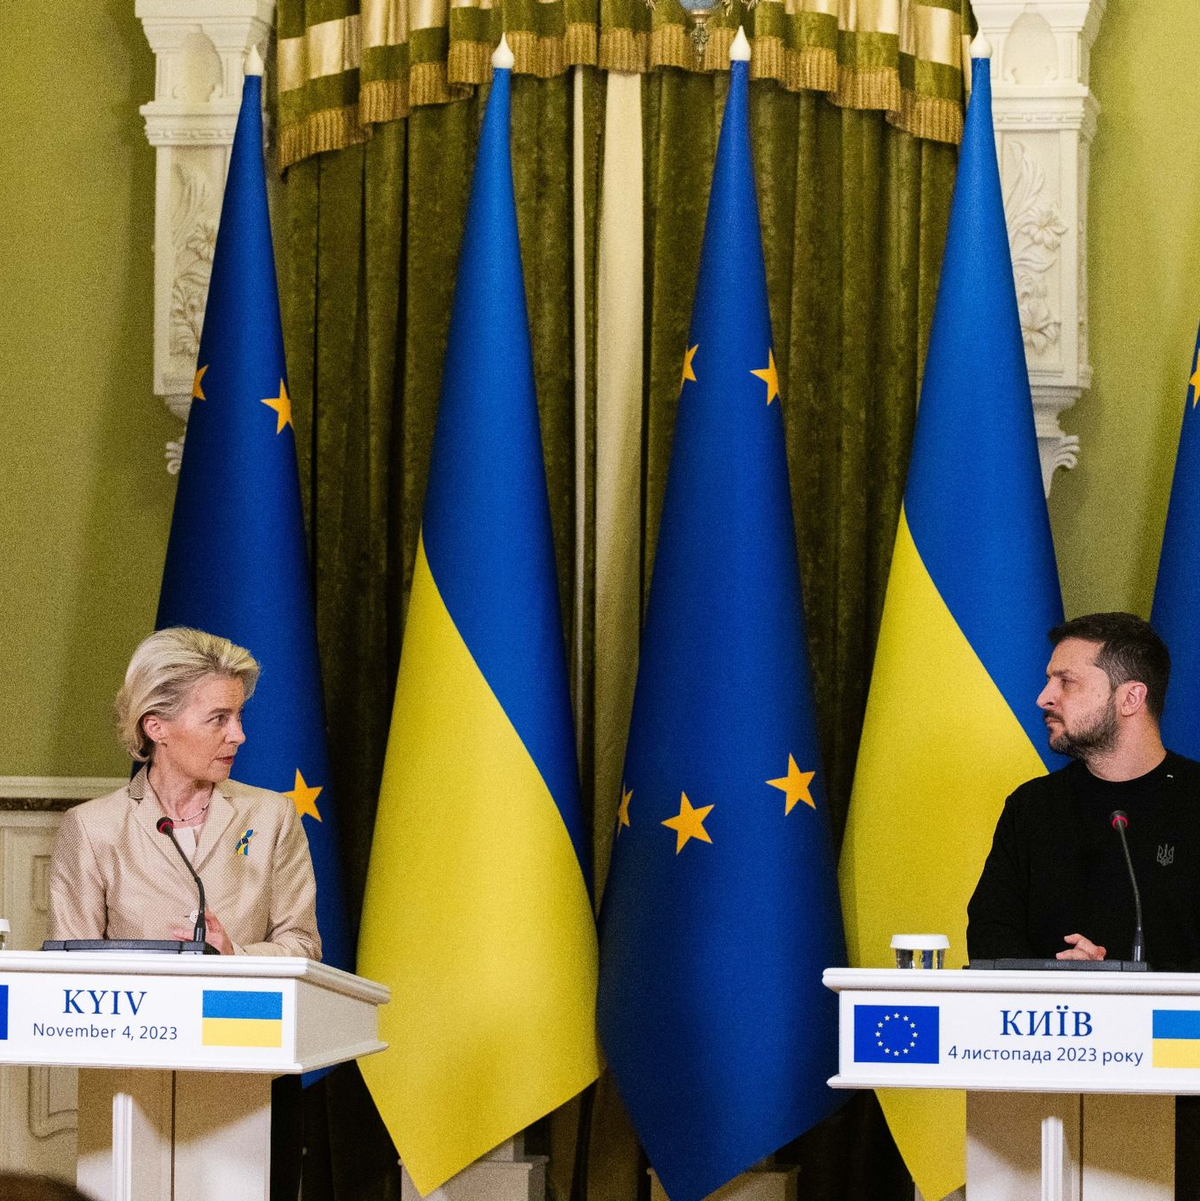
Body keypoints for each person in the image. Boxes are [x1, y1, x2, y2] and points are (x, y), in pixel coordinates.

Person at [48, 626, 320, 959]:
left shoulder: (270, 816)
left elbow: (303, 945)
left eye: (238, 716)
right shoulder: (93, 828)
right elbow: (70, 961)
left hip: (237, 1010)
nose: (238, 735)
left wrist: (235, 955)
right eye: (218, 718)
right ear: (156, 727)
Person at [968, 610, 1200, 969]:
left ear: (1131, 698)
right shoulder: (1031, 807)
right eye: (1049, 681)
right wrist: (1059, 977)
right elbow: (991, 933)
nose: (1043, 698)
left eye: (1066, 682)